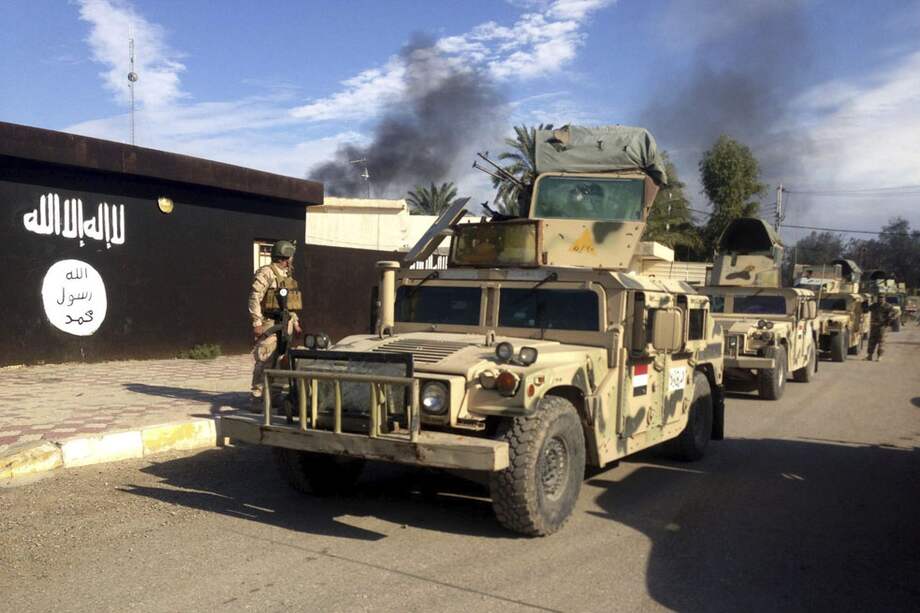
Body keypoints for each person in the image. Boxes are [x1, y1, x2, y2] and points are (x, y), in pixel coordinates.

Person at [249, 240, 302, 407]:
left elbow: (289, 304)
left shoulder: (287, 275)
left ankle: (274, 396)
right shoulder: (266, 273)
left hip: (285, 325)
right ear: (285, 257)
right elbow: (254, 297)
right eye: (291, 256)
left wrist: (295, 322)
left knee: (281, 362)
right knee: (264, 360)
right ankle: (257, 397)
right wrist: (257, 322)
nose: (292, 260)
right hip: (270, 324)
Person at [865, 294, 894, 361]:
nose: (881, 299)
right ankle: (869, 356)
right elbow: (866, 309)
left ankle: (879, 356)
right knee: (872, 341)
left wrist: (890, 319)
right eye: (879, 298)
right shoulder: (874, 305)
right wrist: (865, 302)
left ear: (884, 298)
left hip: (882, 326)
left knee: (881, 342)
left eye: (882, 298)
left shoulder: (888, 306)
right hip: (874, 325)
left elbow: (896, 312)